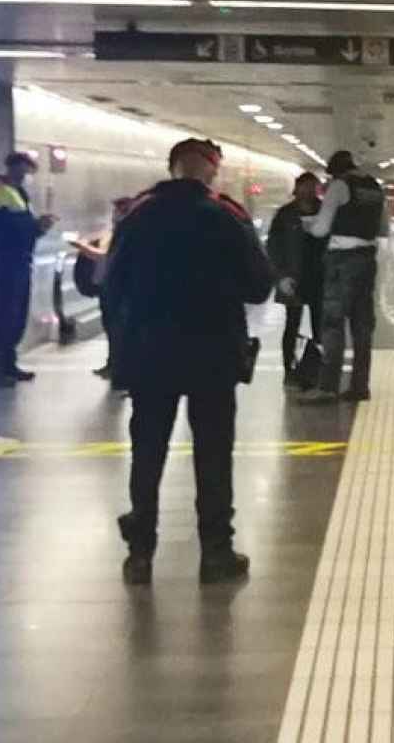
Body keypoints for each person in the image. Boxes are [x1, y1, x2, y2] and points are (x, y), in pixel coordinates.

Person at [105, 139, 274, 586]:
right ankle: (215, 553)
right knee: (214, 454)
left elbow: (111, 282)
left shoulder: (138, 214)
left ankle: (140, 554)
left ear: (172, 167)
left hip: (150, 352)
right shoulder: (229, 215)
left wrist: (123, 346)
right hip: (213, 353)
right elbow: (259, 286)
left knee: (148, 451)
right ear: (212, 172)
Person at [300, 150, 386, 404]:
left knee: (333, 324)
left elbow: (321, 229)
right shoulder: (374, 187)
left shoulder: (339, 186)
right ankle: (360, 386)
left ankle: (328, 387)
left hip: (342, 261)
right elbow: (383, 228)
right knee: (362, 326)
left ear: (335, 171)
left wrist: (309, 225)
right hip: (368, 259)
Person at [0, 151, 54, 388]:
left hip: (20, 260)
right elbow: (2, 231)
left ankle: (8, 364)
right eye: (24, 171)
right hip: (6, 260)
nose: (26, 176)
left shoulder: (17, 193)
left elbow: (24, 227)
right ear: (13, 168)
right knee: (3, 315)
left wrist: (38, 228)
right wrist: (35, 226)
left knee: (16, 314)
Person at [267, 172, 326, 388]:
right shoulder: (285, 215)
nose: (309, 192)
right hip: (294, 278)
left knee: (320, 325)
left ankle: (318, 367)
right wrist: (281, 276)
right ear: (297, 188)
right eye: (305, 187)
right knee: (292, 323)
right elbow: (273, 247)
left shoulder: (325, 211)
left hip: (319, 277)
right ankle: (288, 368)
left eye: (313, 188)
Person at [72, 196, 135, 387]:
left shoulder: (128, 234)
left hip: (121, 289)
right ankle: (112, 364)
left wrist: (81, 246)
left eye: (121, 210)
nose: (116, 214)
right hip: (107, 287)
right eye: (116, 210)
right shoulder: (113, 233)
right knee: (111, 327)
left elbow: (106, 258)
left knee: (118, 329)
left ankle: (121, 368)